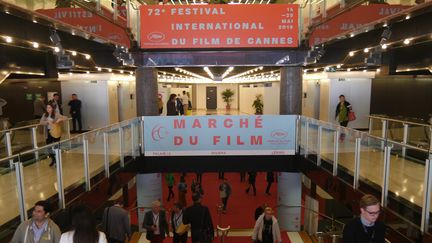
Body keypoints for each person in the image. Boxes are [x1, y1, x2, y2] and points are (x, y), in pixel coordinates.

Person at [40, 102, 65, 167]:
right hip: (48, 132)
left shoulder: (56, 114)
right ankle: (53, 159)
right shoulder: (45, 115)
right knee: (48, 147)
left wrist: (60, 120)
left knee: (57, 146)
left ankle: (57, 160)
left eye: (49, 107)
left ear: (52, 108)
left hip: (56, 131)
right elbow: (41, 122)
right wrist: (47, 122)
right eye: (47, 107)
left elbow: (65, 118)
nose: (48, 109)